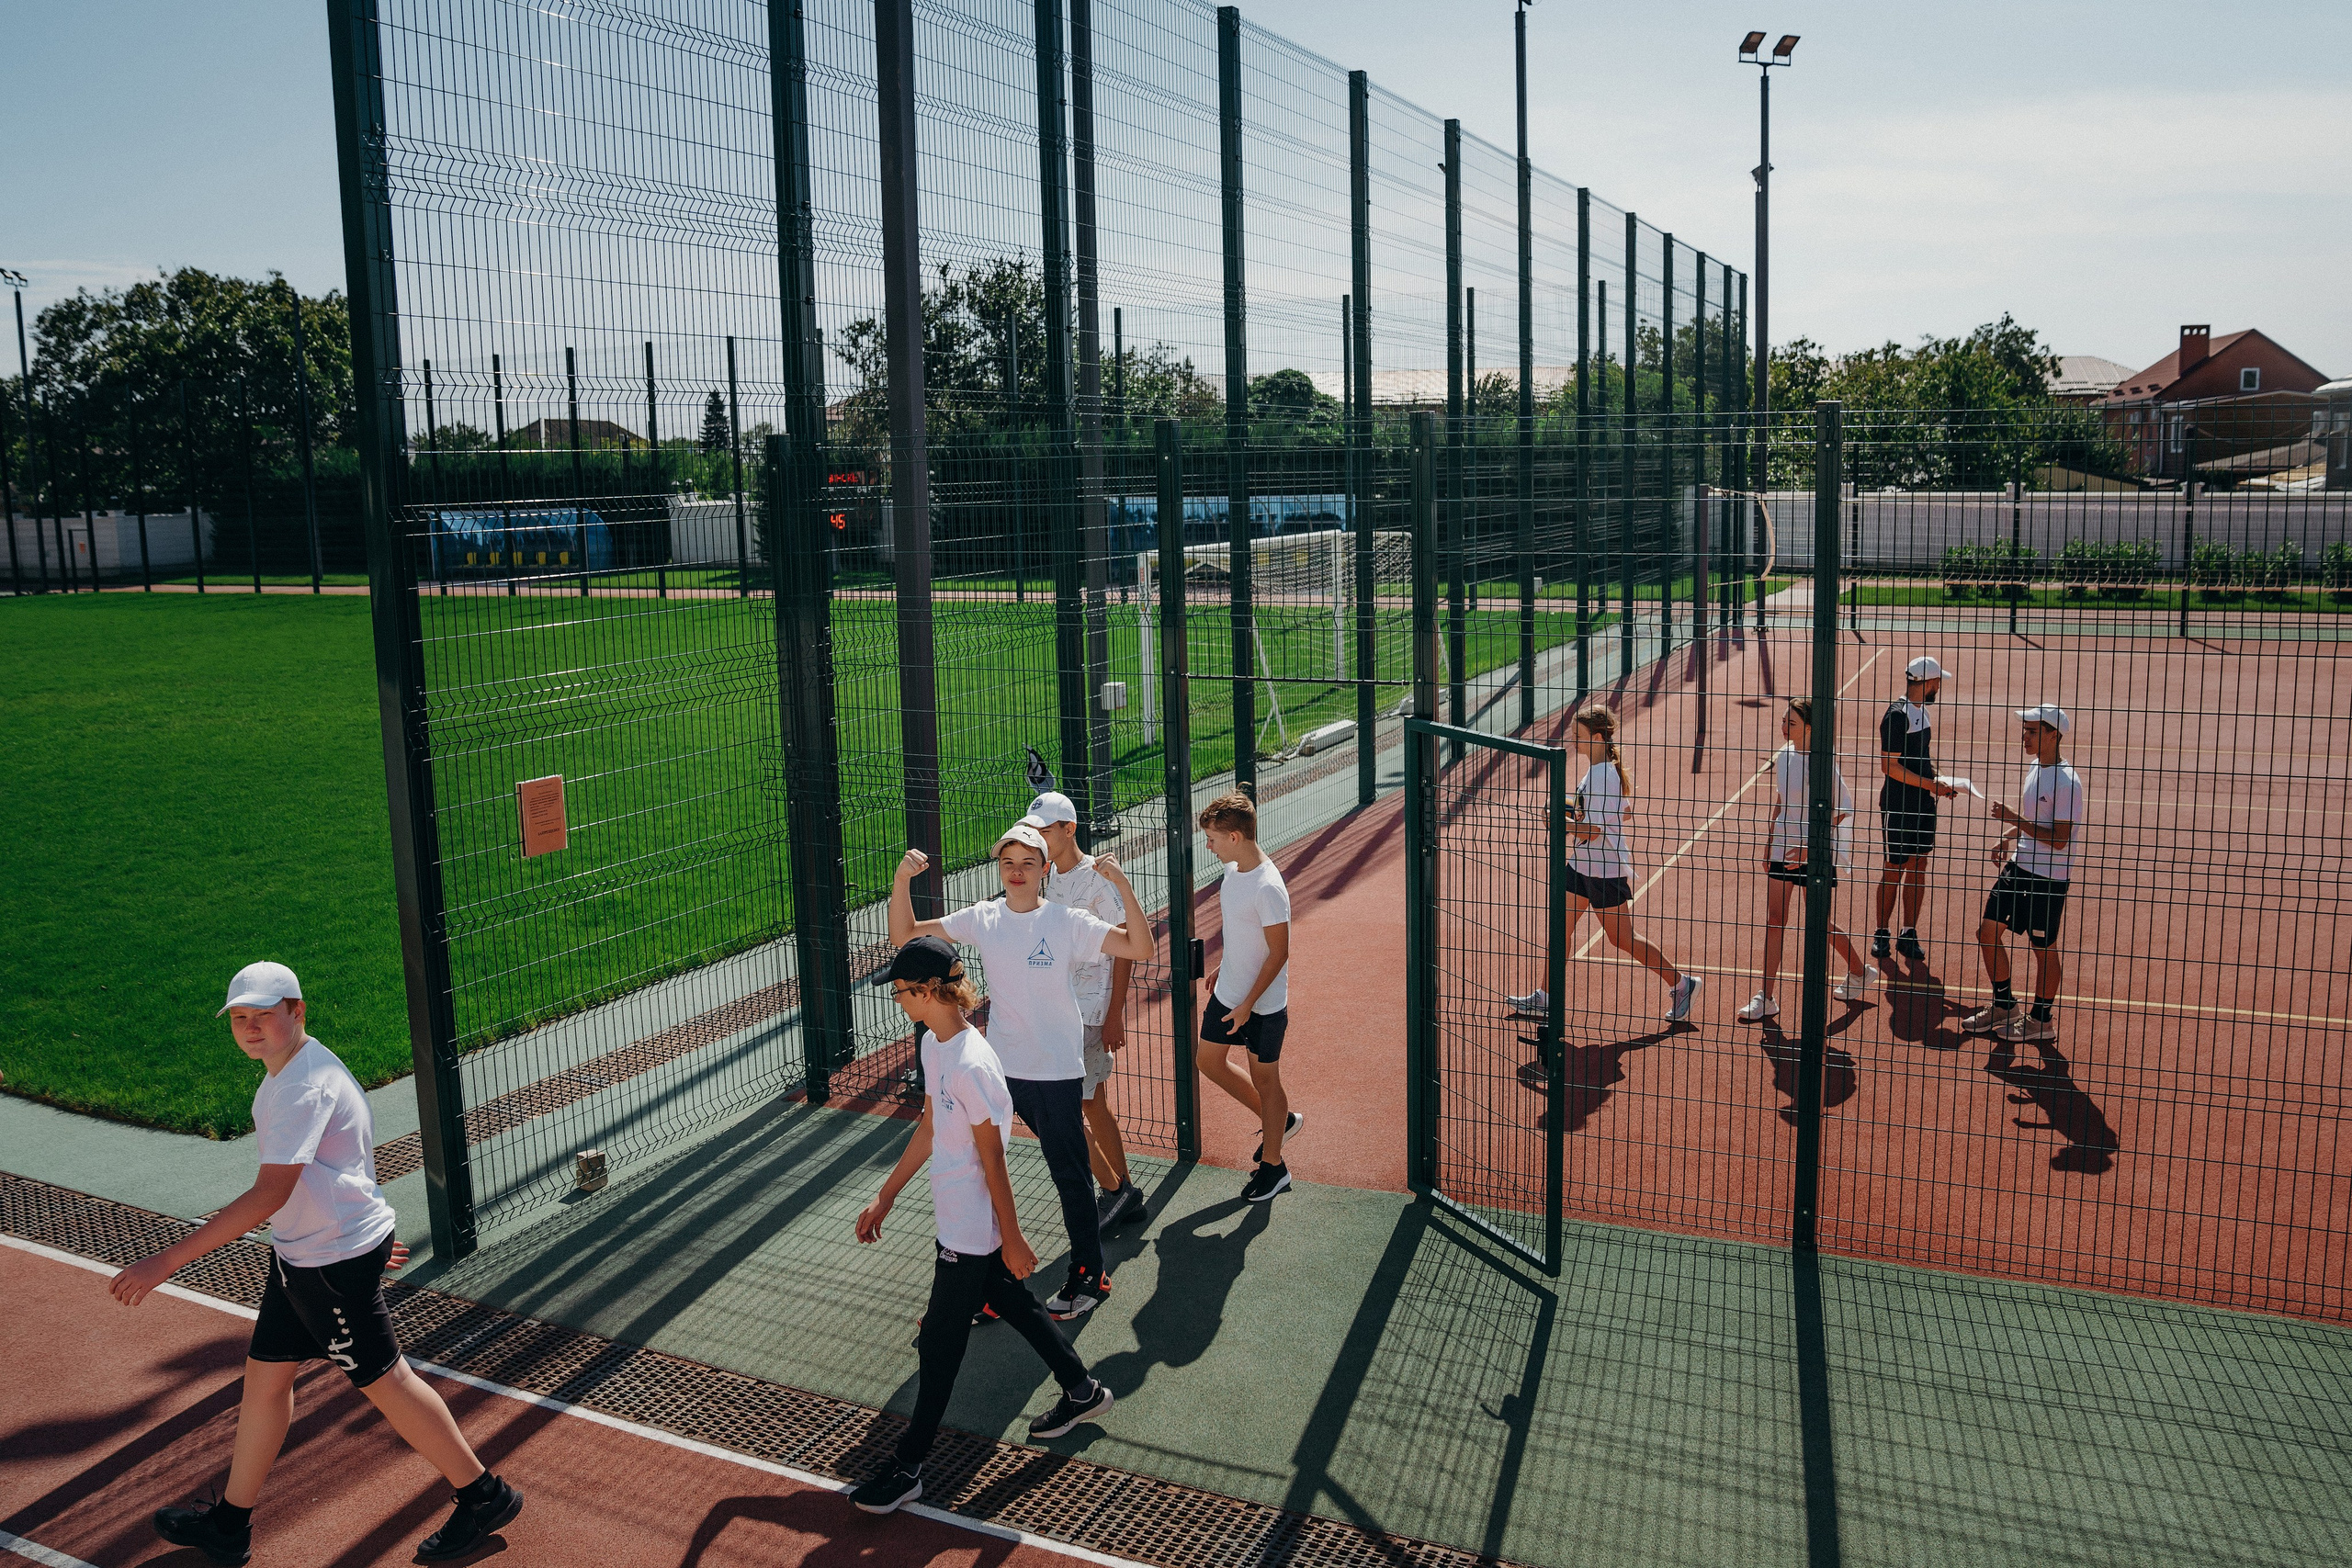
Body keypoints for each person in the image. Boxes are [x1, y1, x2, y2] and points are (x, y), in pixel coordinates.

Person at [110, 963, 523, 1566]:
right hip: (309, 1253)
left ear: (297, 1010)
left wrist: (166, 1260)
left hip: (328, 1264)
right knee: (267, 1381)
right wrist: (369, 1235)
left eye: (264, 1014)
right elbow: (343, 1162)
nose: (251, 1027)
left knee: (388, 1382)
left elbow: (269, 1195)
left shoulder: (302, 1086)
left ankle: (483, 1495)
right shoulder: (300, 1065)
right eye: (240, 1018)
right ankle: (230, 1524)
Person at [849, 937, 1114, 1515]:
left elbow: (994, 1159)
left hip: (971, 1230)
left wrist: (1011, 1237)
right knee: (1015, 1302)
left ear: (928, 991)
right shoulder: (934, 1044)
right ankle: (1083, 1391)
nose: (897, 1000)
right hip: (956, 1218)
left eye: (901, 992)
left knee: (940, 1343)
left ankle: (909, 1466)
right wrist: (886, 1196)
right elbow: (928, 1125)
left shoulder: (973, 1065)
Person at [888, 825, 1154, 1321]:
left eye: (1028, 863)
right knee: (983, 1171)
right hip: (999, 1070)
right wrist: (902, 881)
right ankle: (991, 1285)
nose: (1017, 871)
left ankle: (1090, 1274)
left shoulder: (1067, 921)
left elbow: (1140, 948)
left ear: (1044, 869)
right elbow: (905, 936)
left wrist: (1122, 885)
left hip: (1055, 1071)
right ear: (999, 869)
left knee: (1069, 1174)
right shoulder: (984, 918)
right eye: (1008, 862)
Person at [1024, 791, 1148, 1231]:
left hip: (1090, 1013)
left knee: (1070, 1108)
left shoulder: (1098, 878)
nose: (1038, 837)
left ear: (1069, 829)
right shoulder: (1048, 876)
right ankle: (1123, 1193)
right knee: (1091, 1102)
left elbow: (1127, 946)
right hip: (1062, 1011)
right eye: (1034, 830)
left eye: (1045, 830)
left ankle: (1117, 1193)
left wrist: (1116, 1013)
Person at [1737, 698, 1879, 1021]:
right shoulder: (1784, 755)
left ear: (1811, 728)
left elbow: (1842, 809)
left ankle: (1859, 971)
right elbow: (1781, 800)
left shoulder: (1823, 762)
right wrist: (1770, 841)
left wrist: (1809, 848)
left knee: (1818, 922)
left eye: (1792, 723)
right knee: (1775, 918)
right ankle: (1766, 997)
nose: (1784, 727)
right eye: (1783, 721)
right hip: (1782, 848)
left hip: (1812, 854)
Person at [1195, 791, 1306, 1201]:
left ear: (1235, 837)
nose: (1209, 846)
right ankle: (1281, 1122)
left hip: (1262, 1007)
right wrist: (1226, 964)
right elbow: (1243, 933)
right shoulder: (1233, 871)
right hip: (1229, 993)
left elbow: (1279, 952)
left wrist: (1247, 1005)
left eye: (1212, 839)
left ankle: (1274, 1168)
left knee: (1266, 1081)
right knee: (1208, 1062)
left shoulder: (1268, 887)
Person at [1565, 706, 1702, 1023]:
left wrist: (1563, 823)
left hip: (1603, 870)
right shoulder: (1598, 771)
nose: (1573, 740)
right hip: (1581, 864)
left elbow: (1595, 831)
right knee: (1560, 930)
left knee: (1622, 939)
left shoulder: (1603, 775)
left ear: (1597, 738)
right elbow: (1623, 812)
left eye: (1578, 735)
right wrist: (1578, 812)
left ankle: (1683, 984)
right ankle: (1545, 997)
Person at [1963, 705, 2087, 1045]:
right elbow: (2037, 822)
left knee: (2042, 948)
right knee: (1987, 932)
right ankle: (2005, 1006)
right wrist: (2009, 836)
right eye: (2025, 730)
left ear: (2054, 735)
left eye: (2033, 731)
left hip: (2048, 878)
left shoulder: (2067, 782)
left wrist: (2014, 820)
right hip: (2019, 867)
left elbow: (2059, 839)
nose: (2025, 737)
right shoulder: (2035, 767)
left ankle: (2041, 1020)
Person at [1872, 655, 1963, 964]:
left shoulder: (1922, 712)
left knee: (1918, 865)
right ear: (1927, 682)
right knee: (1894, 867)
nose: (1939, 687)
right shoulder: (1896, 717)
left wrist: (1940, 780)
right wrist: (1930, 785)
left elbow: (1922, 758)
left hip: (1924, 804)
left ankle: (1908, 933)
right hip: (1898, 806)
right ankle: (1882, 932)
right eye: (1937, 682)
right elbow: (1890, 767)